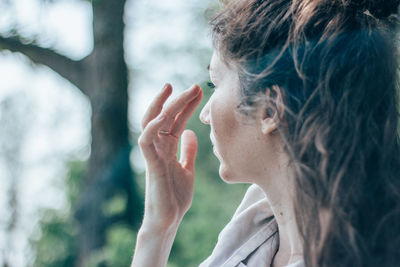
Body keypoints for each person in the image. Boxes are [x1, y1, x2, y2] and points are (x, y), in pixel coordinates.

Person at [131, 0, 400, 266]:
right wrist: (158, 226)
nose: (204, 115)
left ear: (271, 109)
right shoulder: (250, 237)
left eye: (214, 84)